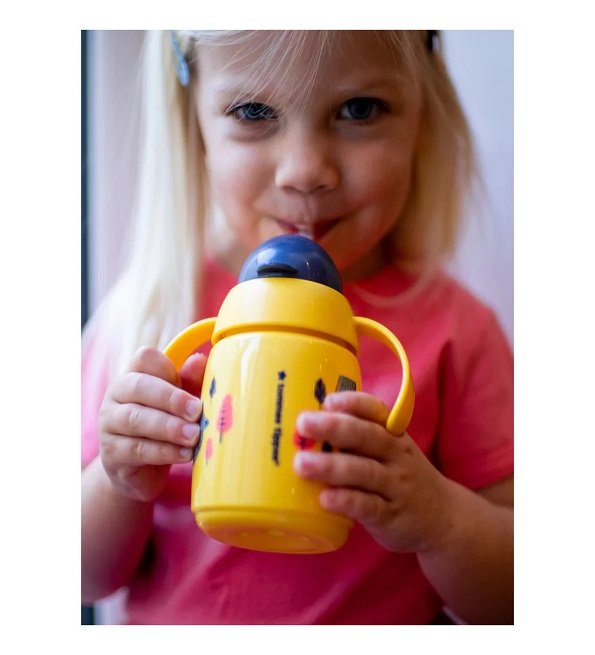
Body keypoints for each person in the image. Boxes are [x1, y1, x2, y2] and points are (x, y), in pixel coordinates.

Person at [81, 30, 513, 625]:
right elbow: (82, 580)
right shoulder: (151, 312)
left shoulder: (458, 332)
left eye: (358, 109)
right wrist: (118, 482)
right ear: (193, 121)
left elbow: (516, 601)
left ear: (424, 113)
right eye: (253, 112)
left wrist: (441, 522)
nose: (306, 171)